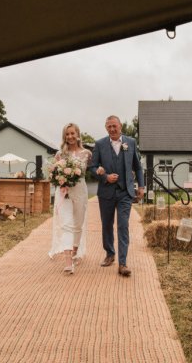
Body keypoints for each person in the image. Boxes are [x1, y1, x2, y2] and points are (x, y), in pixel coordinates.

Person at [89, 115, 144, 277]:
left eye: (115, 126)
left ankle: (123, 263)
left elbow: (138, 167)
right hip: (106, 192)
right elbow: (92, 167)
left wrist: (141, 186)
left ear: (120, 126)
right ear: (106, 128)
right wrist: (104, 176)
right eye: (109, 127)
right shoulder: (99, 144)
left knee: (123, 225)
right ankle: (110, 253)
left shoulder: (131, 143)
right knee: (107, 224)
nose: (112, 129)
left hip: (125, 192)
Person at [48, 123, 92, 274]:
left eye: (73, 133)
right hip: (64, 193)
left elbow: (91, 170)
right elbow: (53, 174)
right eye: (67, 134)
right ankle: (68, 262)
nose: (70, 136)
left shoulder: (87, 153)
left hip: (80, 191)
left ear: (78, 134)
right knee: (66, 224)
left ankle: (74, 252)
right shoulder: (60, 155)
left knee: (78, 225)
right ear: (64, 136)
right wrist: (58, 178)